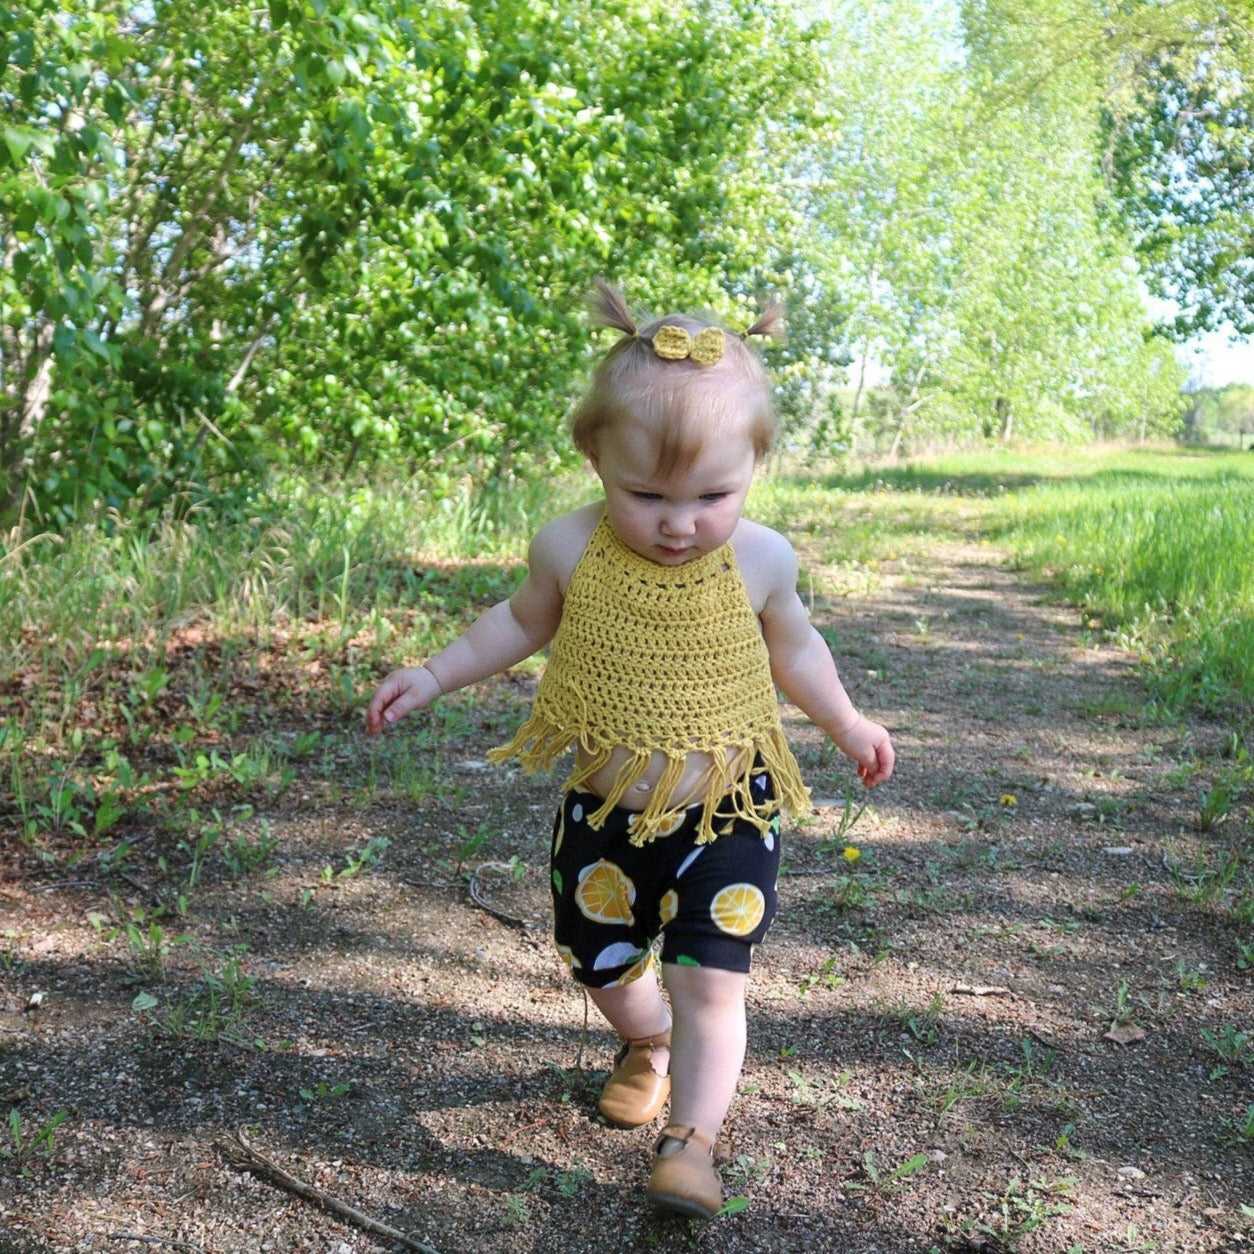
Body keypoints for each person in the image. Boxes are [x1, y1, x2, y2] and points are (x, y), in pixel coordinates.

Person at [365, 281, 895, 1219]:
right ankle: (643, 1042)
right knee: (601, 964)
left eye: (712, 496)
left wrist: (846, 723)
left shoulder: (764, 560)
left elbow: (797, 650)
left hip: (729, 809)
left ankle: (691, 1142)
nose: (678, 523)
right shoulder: (570, 546)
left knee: (711, 983)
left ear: (755, 469)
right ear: (594, 458)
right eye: (645, 494)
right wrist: (437, 674)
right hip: (605, 815)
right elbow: (518, 624)